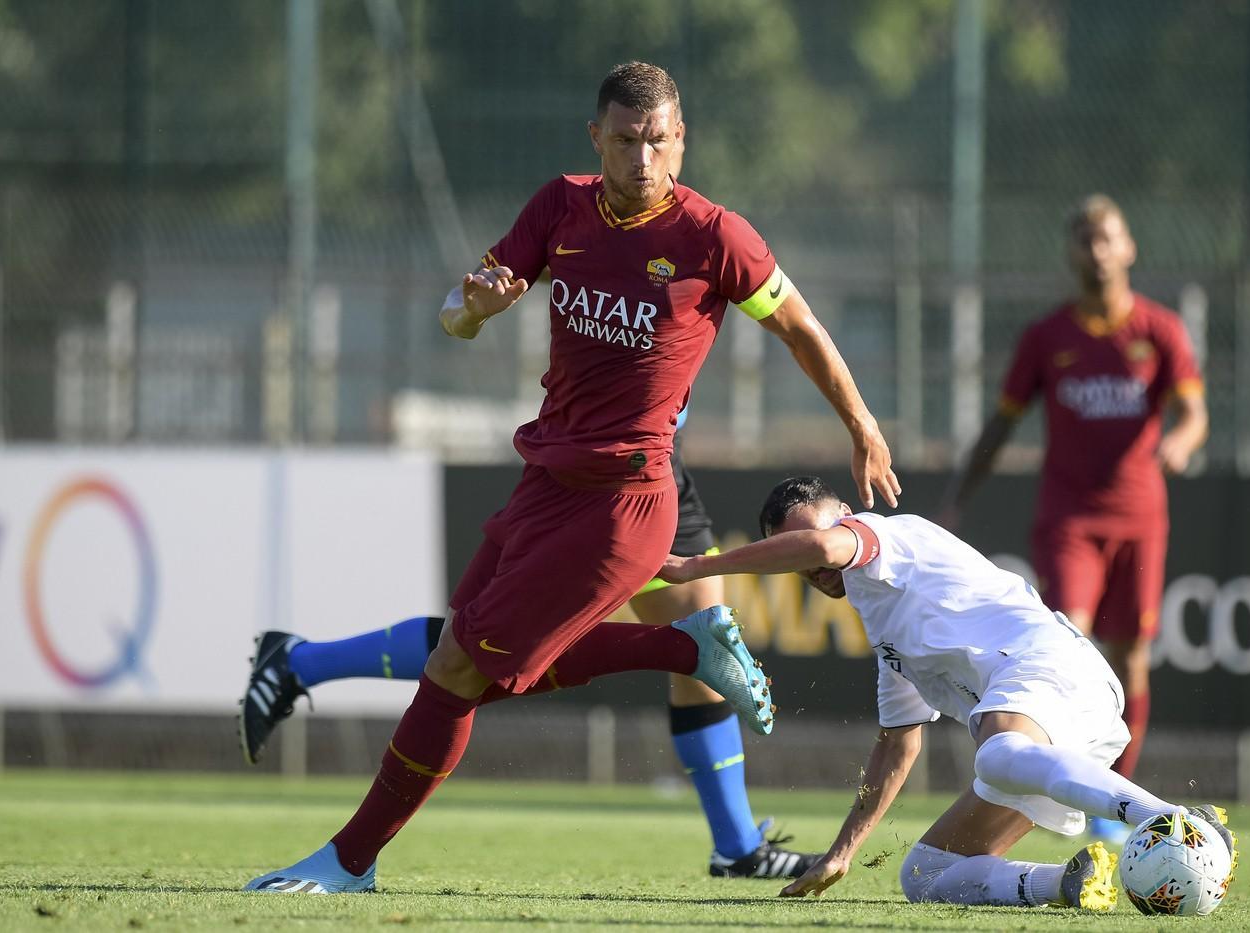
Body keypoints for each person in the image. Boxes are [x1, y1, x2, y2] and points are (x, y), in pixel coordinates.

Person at [245, 61, 899, 894]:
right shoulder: (561, 205)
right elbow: (457, 310)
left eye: (659, 142)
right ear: (597, 139)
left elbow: (800, 326)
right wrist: (474, 309)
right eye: (625, 141)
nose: (643, 159)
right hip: (544, 482)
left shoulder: (714, 237)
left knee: (460, 670)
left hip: (627, 503)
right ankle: (678, 651)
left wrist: (862, 423)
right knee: (458, 659)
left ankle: (348, 858)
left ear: (681, 139)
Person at [239, 430, 821, 880]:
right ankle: (300, 663)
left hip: (657, 459)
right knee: (481, 643)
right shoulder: (608, 276)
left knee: (698, 648)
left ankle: (737, 846)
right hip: (606, 465)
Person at [658, 475, 1236, 910]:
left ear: (845, 516)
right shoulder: (884, 625)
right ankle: (1069, 882)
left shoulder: (885, 537)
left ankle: (1170, 819)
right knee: (928, 876)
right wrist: (842, 852)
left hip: (1050, 671)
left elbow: (830, 548)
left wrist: (696, 568)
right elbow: (896, 745)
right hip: (1053, 739)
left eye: (813, 534)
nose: (810, 559)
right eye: (796, 553)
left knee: (998, 751)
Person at [938, 195, 1207, 842]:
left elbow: (1196, 412)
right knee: (1068, 647)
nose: (1096, 250)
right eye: (1084, 239)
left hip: (1140, 519)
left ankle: (1113, 810)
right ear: (1071, 252)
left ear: (1129, 247)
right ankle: (1060, 794)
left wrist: (1182, 440)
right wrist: (957, 498)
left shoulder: (1160, 331)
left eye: (1107, 238)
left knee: (1132, 658)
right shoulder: (1046, 337)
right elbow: (1001, 424)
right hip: (1069, 520)